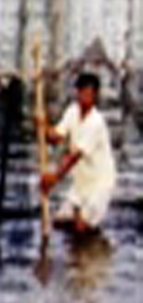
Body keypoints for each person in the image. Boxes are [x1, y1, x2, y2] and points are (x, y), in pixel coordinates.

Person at [38, 71, 116, 235]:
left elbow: (74, 156)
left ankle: (90, 248)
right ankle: (77, 248)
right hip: (81, 183)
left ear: (95, 96)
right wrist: (43, 126)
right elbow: (56, 137)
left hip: (99, 184)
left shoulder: (96, 122)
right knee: (60, 223)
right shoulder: (72, 111)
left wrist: (54, 178)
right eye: (82, 93)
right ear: (77, 93)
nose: (85, 98)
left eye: (89, 95)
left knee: (82, 227)